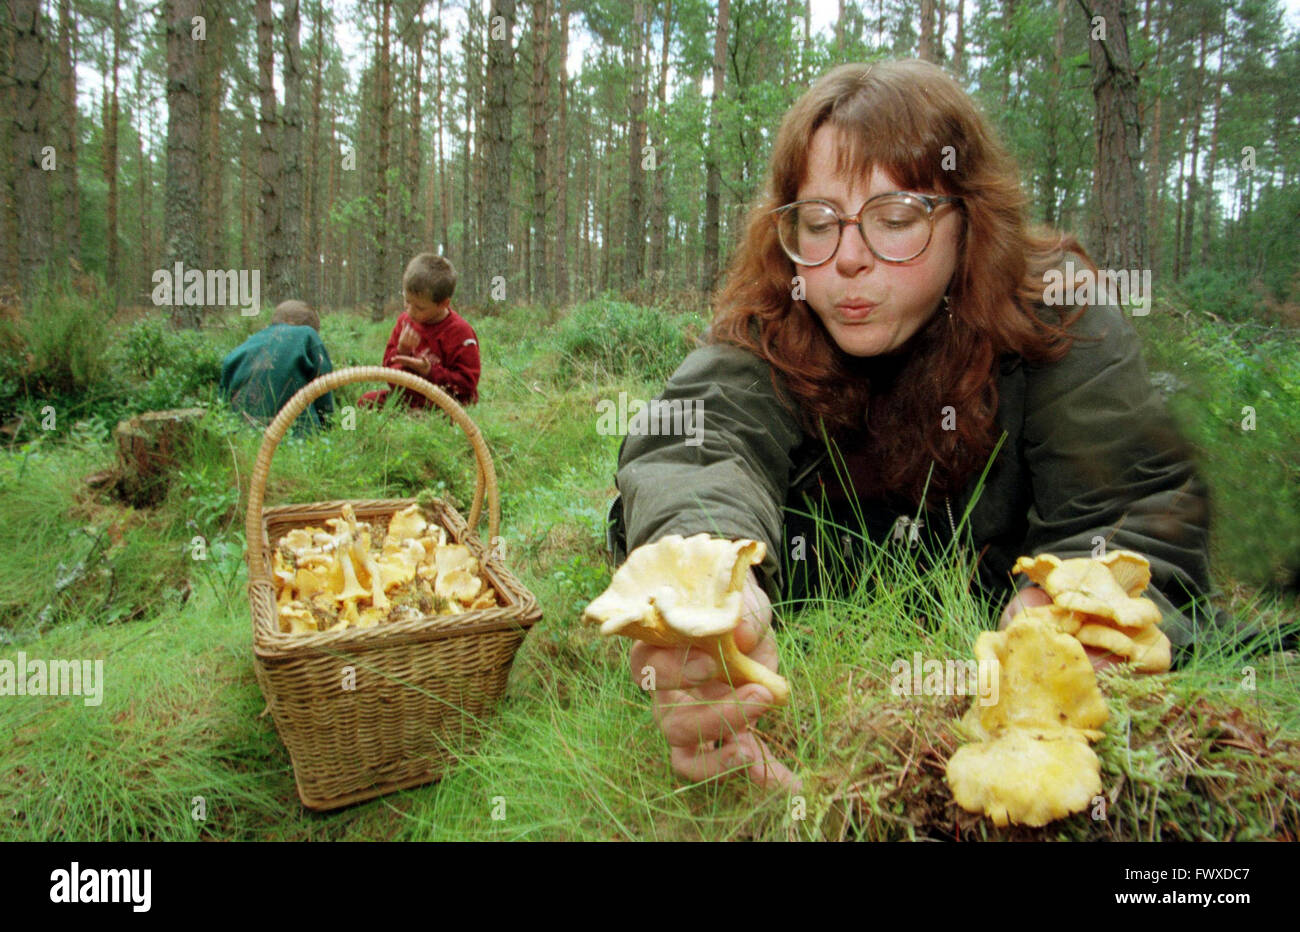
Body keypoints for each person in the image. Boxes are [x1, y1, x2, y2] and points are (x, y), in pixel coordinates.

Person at [607, 60, 1220, 790]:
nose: (850, 261)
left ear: (970, 218)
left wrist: (1077, 619)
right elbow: (696, 442)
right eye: (819, 222)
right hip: (828, 676)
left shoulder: (1061, 316)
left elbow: (1139, 510)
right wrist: (707, 590)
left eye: (896, 219)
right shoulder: (774, 320)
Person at [359, 253, 481, 410]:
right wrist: (401, 352)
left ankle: (423, 418)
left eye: (419, 308)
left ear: (443, 303)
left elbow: (467, 384)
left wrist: (429, 371)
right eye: (407, 301)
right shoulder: (405, 323)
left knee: (449, 414)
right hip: (410, 398)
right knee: (366, 402)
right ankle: (414, 415)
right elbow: (388, 374)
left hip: (447, 403)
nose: (410, 311)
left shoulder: (460, 332)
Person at [219, 299, 334, 432]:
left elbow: (222, 403)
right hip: (295, 432)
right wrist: (328, 426)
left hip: (241, 433)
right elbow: (324, 385)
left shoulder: (238, 351)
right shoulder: (307, 335)